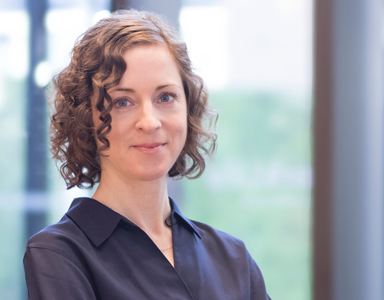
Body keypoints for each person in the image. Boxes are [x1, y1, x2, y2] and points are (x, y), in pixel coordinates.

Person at [24, 10, 270, 300]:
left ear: (188, 108)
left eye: (165, 97)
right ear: (84, 118)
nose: (149, 121)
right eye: (122, 102)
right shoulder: (60, 256)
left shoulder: (233, 259)